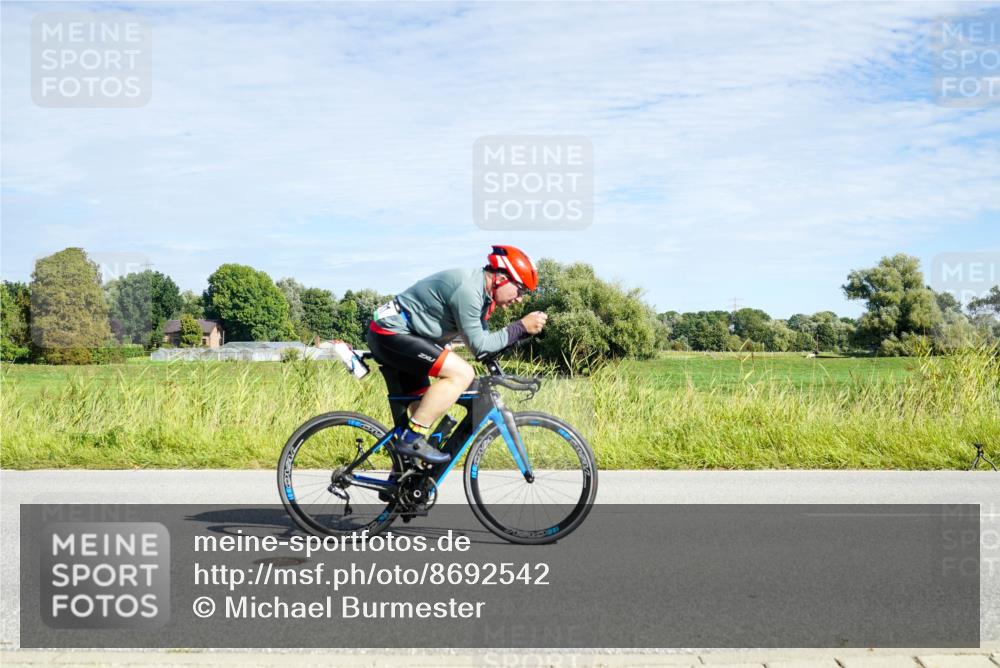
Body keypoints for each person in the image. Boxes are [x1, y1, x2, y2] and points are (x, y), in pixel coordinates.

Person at [366, 245, 547, 465]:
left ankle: (405, 475)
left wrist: (516, 338)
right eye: (520, 289)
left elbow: (483, 344)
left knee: (424, 407)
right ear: (502, 278)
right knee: (462, 373)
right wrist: (520, 327)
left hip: (404, 338)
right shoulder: (469, 290)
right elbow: (480, 346)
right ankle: (411, 440)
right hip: (390, 334)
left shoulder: (482, 296)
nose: (520, 299)